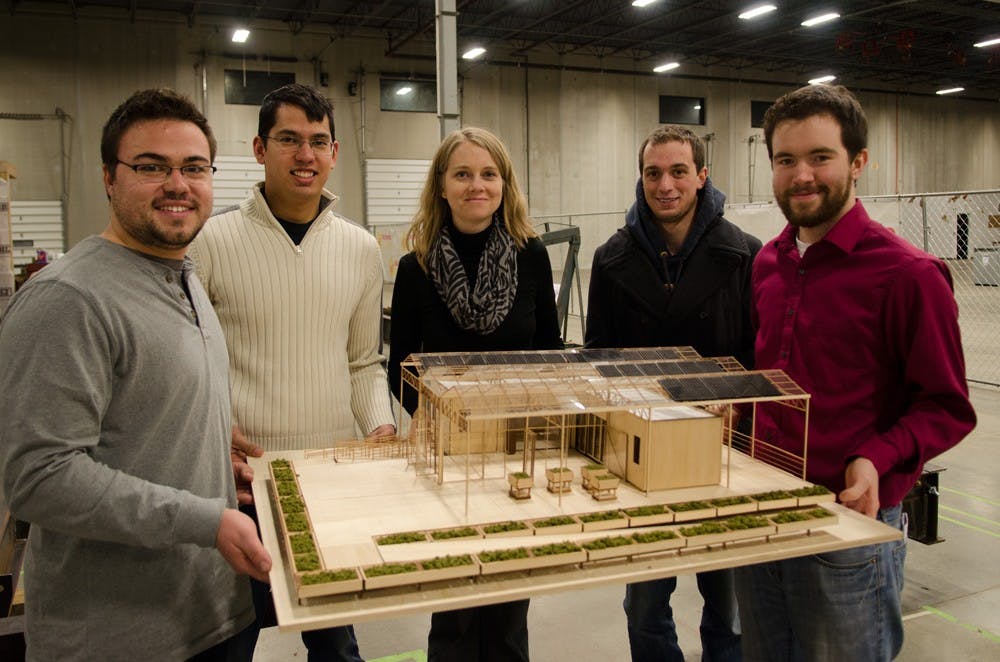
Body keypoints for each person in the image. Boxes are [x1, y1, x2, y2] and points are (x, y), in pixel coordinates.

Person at [0, 88, 271, 661]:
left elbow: (138, 422)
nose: (178, 184)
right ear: (109, 177)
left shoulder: (183, 276)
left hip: (213, 614)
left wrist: (206, 460)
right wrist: (207, 518)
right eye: (151, 167)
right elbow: (40, 477)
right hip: (118, 638)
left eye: (194, 167)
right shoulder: (68, 298)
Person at [736, 84, 977, 661]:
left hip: (847, 532)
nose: (802, 176)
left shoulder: (908, 275)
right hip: (763, 515)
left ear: (858, 162)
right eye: (785, 160)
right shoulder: (769, 262)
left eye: (821, 157)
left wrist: (875, 457)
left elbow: (947, 406)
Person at [189, 83, 395, 661]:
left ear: (334, 153)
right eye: (288, 140)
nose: (305, 155)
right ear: (259, 148)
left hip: (329, 484)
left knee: (337, 647)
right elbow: (191, 369)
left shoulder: (359, 248)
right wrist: (211, 446)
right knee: (229, 644)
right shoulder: (209, 242)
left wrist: (378, 426)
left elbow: (362, 362)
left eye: (317, 141)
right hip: (242, 488)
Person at [387, 126, 562, 661]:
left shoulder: (531, 255)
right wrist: (437, 419)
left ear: (505, 184)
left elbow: (549, 348)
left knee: (510, 591)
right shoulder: (415, 266)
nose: (476, 185)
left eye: (489, 174)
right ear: (442, 186)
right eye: (462, 174)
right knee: (456, 596)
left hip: (513, 442)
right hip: (449, 445)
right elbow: (400, 362)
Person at [586, 125, 756, 662]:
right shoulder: (612, 262)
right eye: (653, 173)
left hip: (724, 453)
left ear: (702, 177)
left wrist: (734, 403)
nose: (666, 185)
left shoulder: (746, 256)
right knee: (645, 605)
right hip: (643, 458)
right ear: (641, 179)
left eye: (679, 171)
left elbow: (759, 356)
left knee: (729, 604)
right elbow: (598, 359)